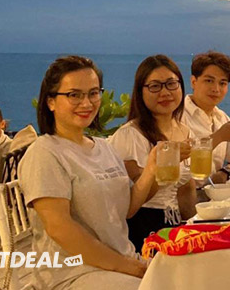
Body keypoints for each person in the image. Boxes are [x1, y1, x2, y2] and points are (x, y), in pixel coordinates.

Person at [19, 55, 157, 289]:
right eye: (74, 95)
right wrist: (127, 267)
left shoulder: (104, 147)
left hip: (121, 263)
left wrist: (153, 167)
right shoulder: (45, 152)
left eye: (93, 93)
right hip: (72, 274)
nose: (87, 103)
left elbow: (126, 209)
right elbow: (59, 228)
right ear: (51, 102)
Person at [109, 55, 197, 252]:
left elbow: (185, 187)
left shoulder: (184, 131)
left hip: (173, 224)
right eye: (155, 86)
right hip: (143, 228)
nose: (165, 92)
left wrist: (195, 224)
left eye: (171, 84)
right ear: (140, 92)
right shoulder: (130, 136)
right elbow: (132, 203)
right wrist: (168, 161)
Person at [182, 51, 230, 184]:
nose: (216, 89)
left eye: (222, 83)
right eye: (209, 81)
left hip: (216, 193)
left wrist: (226, 171)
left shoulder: (221, 117)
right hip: (187, 194)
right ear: (193, 82)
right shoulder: (178, 115)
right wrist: (219, 137)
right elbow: (178, 162)